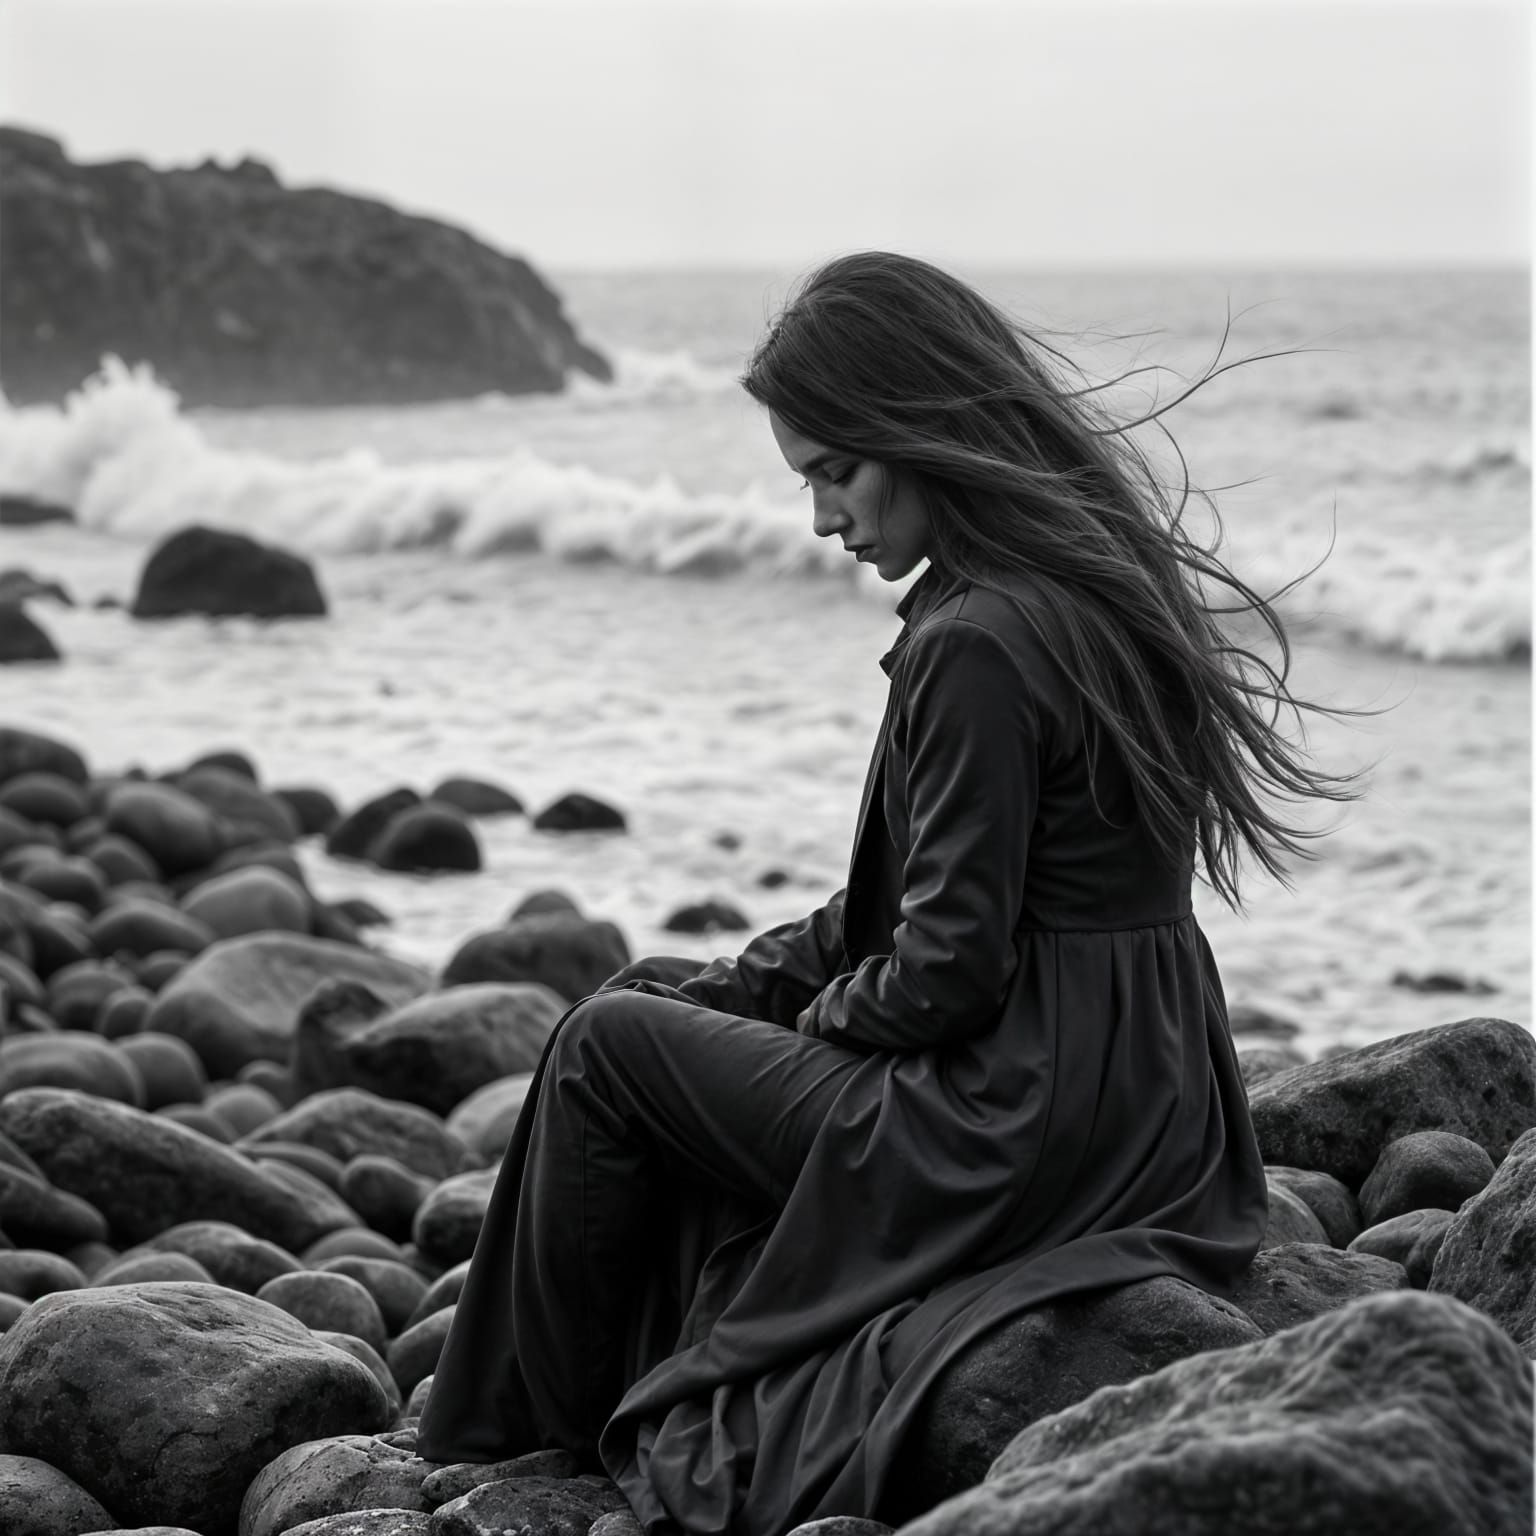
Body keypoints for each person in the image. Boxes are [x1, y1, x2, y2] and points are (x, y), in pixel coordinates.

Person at [417, 252, 1355, 1534]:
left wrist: (810, 1024)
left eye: (834, 474)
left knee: (603, 1048)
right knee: (658, 999)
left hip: (1006, 1121)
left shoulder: (974, 642)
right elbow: (924, 918)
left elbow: (945, 967)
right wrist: (743, 989)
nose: (821, 519)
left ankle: (542, 1434)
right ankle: (569, 1394)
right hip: (1150, 1095)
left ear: (925, 431)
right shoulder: (1098, 589)